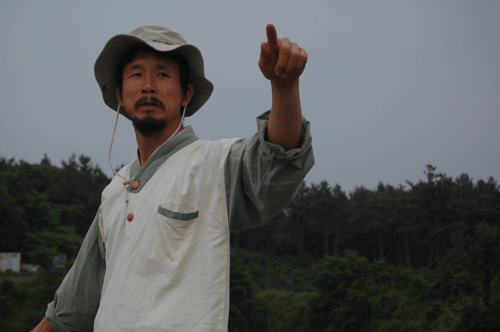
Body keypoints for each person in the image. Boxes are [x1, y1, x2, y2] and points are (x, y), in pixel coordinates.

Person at [33, 23, 314, 332]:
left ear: (186, 94)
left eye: (163, 74)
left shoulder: (213, 164)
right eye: (136, 74)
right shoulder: (114, 192)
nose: (149, 85)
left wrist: (284, 88)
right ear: (119, 94)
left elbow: (278, 159)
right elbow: (69, 311)